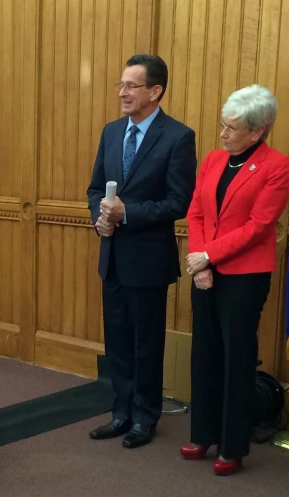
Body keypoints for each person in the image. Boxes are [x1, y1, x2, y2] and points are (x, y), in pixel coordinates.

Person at [180, 85, 289, 475]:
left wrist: (209, 255)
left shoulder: (278, 166)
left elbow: (260, 226)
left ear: (257, 131)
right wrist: (202, 265)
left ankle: (232, 446)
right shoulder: (212, 160)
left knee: (236, 358)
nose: (224, 134)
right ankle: (203, 434)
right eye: (222, 125)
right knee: (205, 352)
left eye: (232, 128)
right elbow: (196, 213)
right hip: (206, 271)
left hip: (245, 275)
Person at [86, 54, 197, 448]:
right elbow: (95, 189)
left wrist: (127, 213)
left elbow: (178, 202)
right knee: (116, 340)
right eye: (120, 85)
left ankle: (145, 417)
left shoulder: (178, 137)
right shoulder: (112, 132)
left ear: (155, 91)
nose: (122, 92)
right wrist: (100, 214)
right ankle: (121, 412)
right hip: (112, 255)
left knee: (145, 343)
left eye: (131, 86)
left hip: (149, 260)